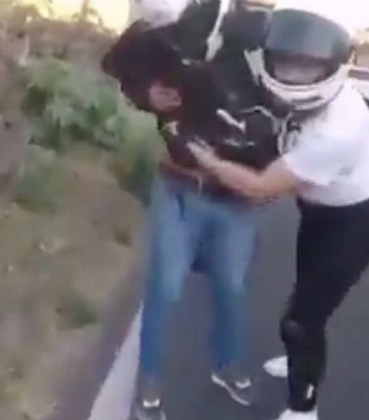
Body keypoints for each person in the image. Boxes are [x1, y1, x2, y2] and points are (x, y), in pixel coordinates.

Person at [188, 2, 369, 419]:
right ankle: (300, 357)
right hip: (317, 212)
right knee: (304, 296)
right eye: (285, 62)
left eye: (307, 67)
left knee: (300, 321)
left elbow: (260, 188)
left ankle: (304, 407)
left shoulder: (339, 130)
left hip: (354, 222)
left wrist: (207, 160)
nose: (293, 75)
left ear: (330, 69)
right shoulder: (290, 96)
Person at [101, 1, 279, 419]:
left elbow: (296, 127)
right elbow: (120, 62)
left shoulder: (277, 49)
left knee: (232, 288)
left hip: (238, 199)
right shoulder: (191, 27)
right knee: (165, 289)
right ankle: (149, 383)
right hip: (180, 186)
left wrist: (272, 182)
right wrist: (147, 92)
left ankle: (227, 366)